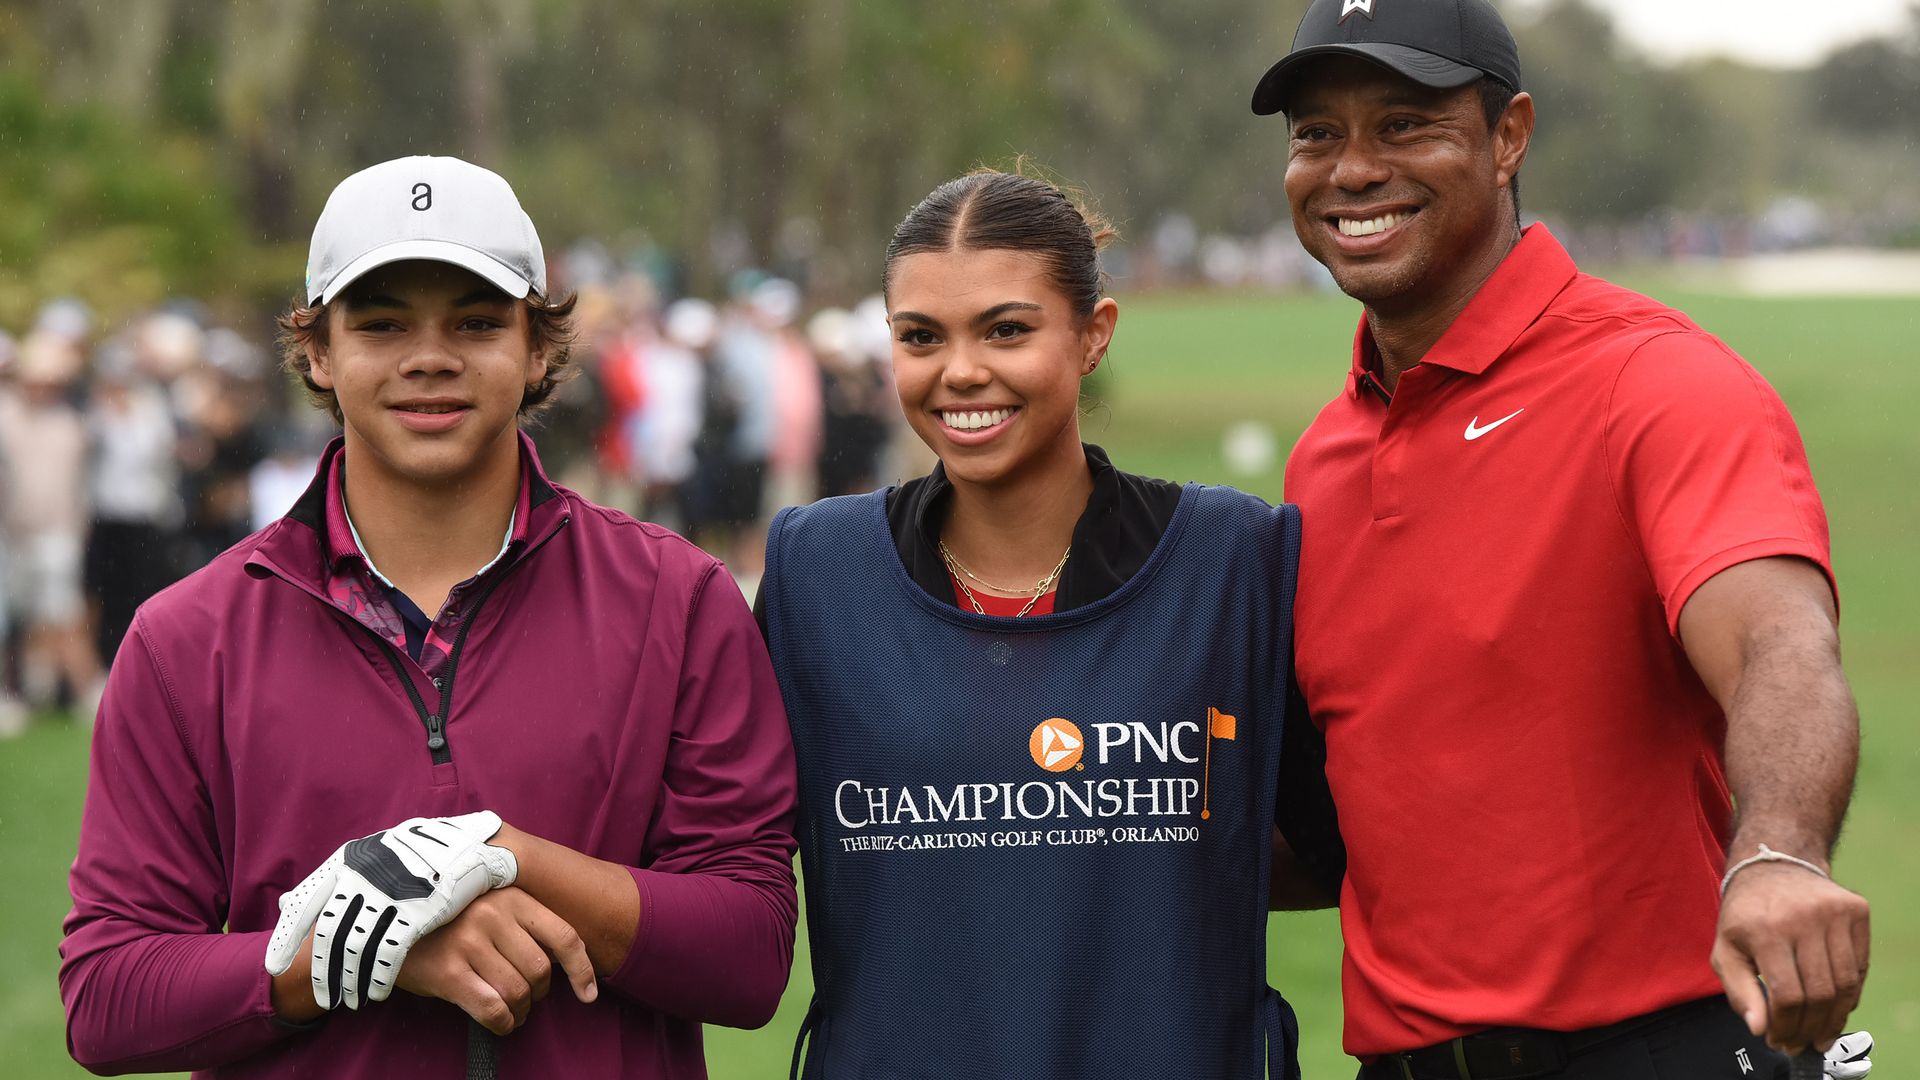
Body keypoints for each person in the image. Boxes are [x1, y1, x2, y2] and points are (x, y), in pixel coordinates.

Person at [60, 155, 799, 1077]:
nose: (430, 357)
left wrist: (503, 856)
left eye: (477, 322)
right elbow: (107, 995)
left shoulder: (678, 599)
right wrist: (355, 947)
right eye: (381, 323)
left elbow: (750, 954)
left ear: (537, 348)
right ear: (319, 352)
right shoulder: (185, 638)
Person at [1250, 2, 1872, 1078]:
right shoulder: (1325, 458)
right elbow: (1352, 825)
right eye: (1317, 134)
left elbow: (1778, 640)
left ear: (1509, 137)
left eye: (1404, 125)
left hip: (1659, 1049)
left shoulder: (1656, 383)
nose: (1351, 169)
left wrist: (1778, 854)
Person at [757, 168, 1345, 1080]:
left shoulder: (1233, 561)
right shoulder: (818, 573)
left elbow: (1337, 849)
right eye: (921, 336)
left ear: (1093, 334)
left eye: (1007, 330)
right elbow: (724, 867)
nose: (960, 370)